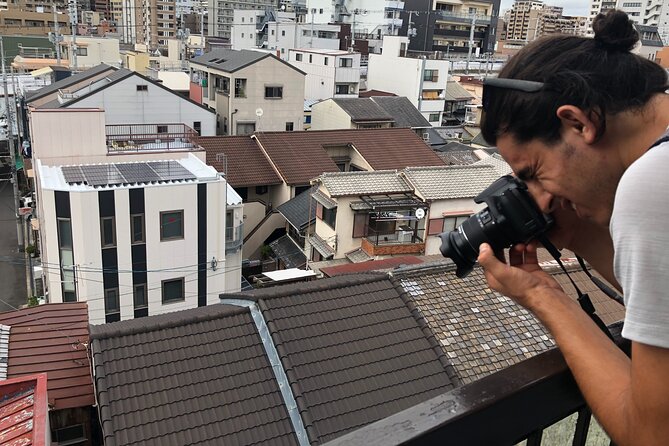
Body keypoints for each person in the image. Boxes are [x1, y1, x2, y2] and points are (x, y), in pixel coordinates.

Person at [476, 10, 669, 446]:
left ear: (578, 123)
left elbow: (652, 436)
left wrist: (542, 296)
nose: (540, 199)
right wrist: (576, 231)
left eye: (533, 173)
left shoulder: (655, 184)